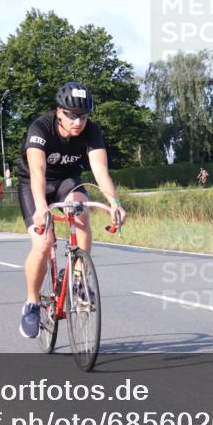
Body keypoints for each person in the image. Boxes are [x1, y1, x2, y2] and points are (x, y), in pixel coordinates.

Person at [14, 81, 127, 338]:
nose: (78, 122)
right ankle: (31, 304)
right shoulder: (40, 128)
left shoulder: (92, 132)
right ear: (58, 112)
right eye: (72, 116)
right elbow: (37, 171)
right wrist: (42, 207)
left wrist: (114, 203)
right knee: (43, 243)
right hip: (34, 184)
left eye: (83, 116)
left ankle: (78, 279)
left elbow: (99, 170)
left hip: (67, 180)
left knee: (81, 211)